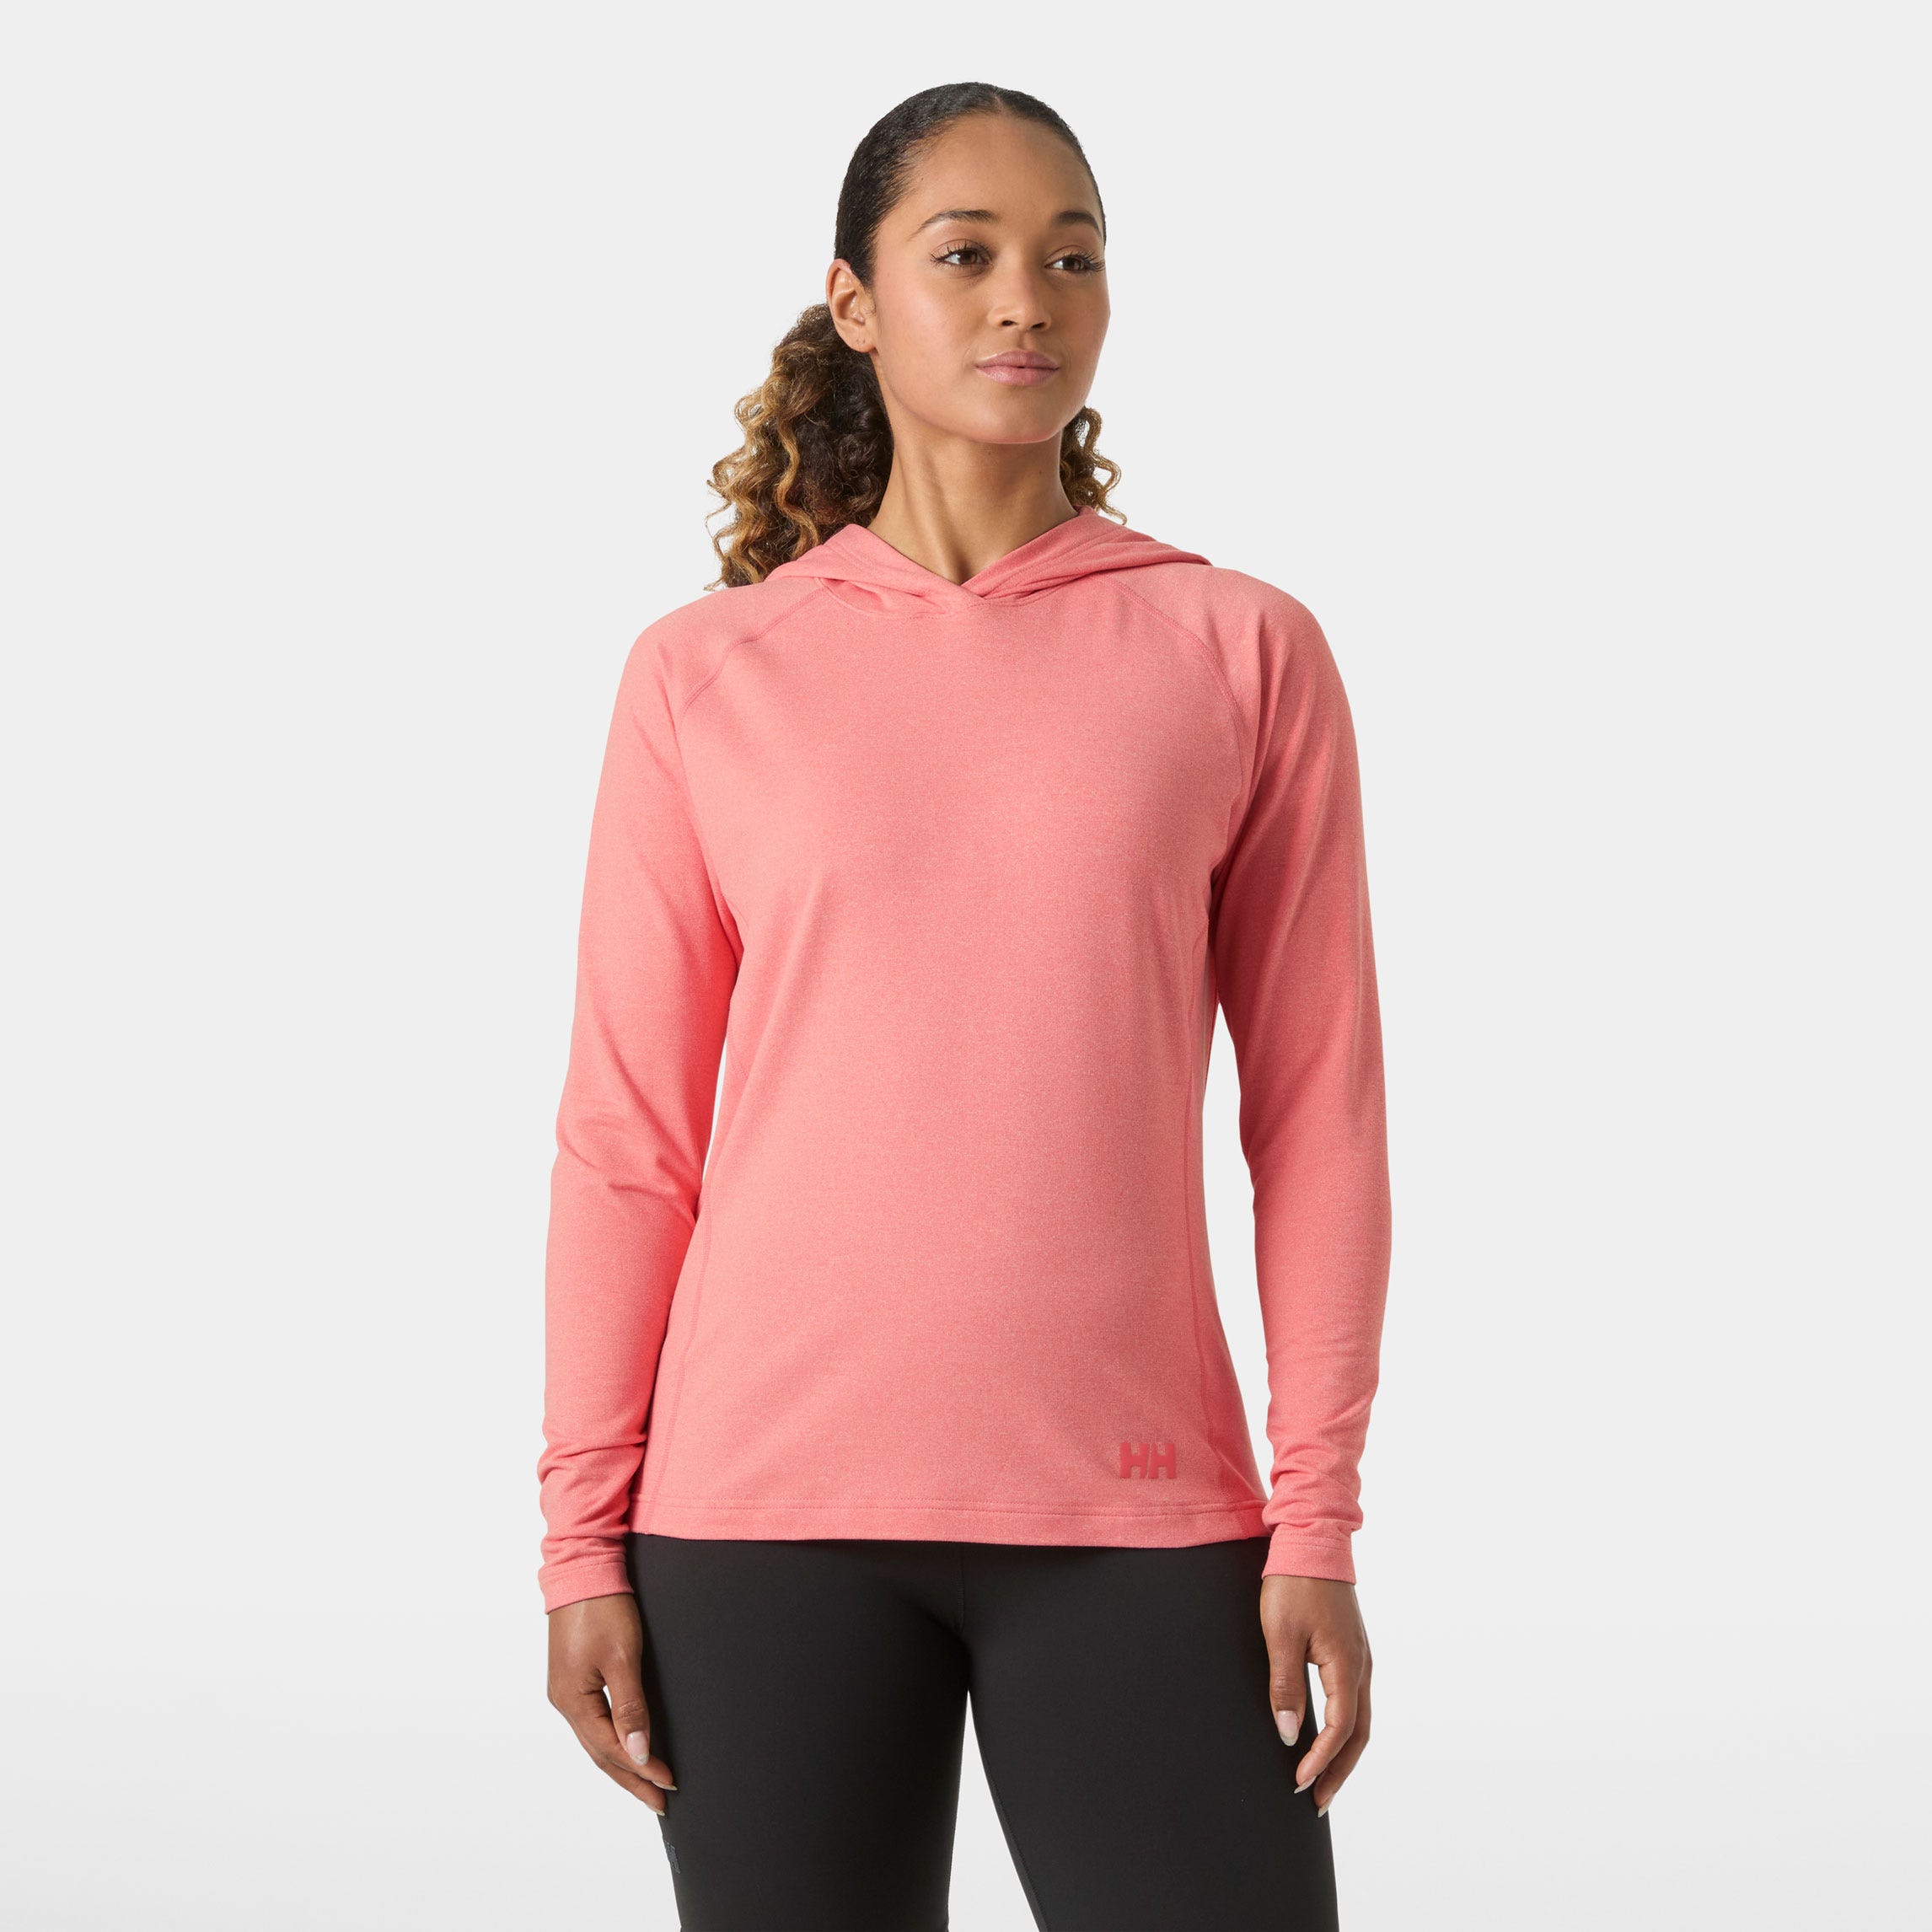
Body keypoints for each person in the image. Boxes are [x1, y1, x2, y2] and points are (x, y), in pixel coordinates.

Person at [538, 80, 1392, 1932]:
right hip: (757, 1522)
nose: (1029, 298)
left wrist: (1315, 1510)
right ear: (854, 301)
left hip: (1142, 1513)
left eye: (1074, 257)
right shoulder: (707, 676)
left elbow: (1318, 1114)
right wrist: (578, 1536)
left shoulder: (1239, 648)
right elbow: (628, 1137)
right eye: (969, 253)